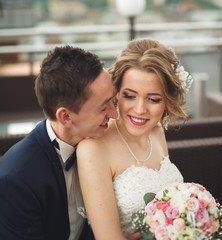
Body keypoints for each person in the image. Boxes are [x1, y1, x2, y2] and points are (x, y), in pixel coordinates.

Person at [0, 45, 118, 240]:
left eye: (112, 100)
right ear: (65, 117)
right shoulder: (15, 181)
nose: (114, 114)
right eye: (103, 107)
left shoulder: (102, 143)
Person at [76, 38, 193, 239]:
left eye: (154, 99)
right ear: (116, 93)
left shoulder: (157, 132)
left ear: (167, 101)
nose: (140, 110)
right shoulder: (93, 149)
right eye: (129, 96)